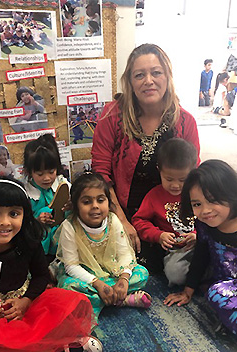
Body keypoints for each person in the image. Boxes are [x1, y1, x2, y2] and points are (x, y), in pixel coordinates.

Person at [0, 176, 102, 352]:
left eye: (14, 214)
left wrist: (26, 301)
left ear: (24, 215)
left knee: (73, 303)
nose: (5, 222)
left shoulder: (28, 241)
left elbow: (41, 276)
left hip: (25, 307)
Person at [91, 43, 200, 254]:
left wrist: (196, 227)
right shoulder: (112, 116)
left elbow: (195, 176)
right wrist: (122, 222)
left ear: (167, 77)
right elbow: (100, 173)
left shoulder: (186, 121)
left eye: (156, 73)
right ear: (130, 82)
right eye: (139, 75)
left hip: (171, 219)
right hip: (122, 213)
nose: (149, 81)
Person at [54, 172, 151, 321]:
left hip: (112, 270)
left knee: (142, 273)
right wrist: (97, 284)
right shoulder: (70, 226)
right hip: (85, 275)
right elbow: (71, 267)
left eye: (100, 200)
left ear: (108, 201)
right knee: (68, 286)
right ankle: (121, 299)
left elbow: (125, 254)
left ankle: (101, 299)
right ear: (76, 205)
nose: (95, 206)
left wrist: (124, 279)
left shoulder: (113, 220)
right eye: (86, 202)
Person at [163, 160, 237, 335]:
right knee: (215, 293)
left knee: (215, 293)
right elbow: (201, 255)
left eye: (213, 200)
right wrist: (188, 291)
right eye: (197, 204)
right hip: (224, 284)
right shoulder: (204, 225)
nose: (205, 210)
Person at [132, 138, 197, 284]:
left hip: (202, 245)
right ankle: (201, 276)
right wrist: (158, 235)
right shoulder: (154, 196)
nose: (175, 185)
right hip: (176, 251)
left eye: (182, 180)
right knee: (174, 275)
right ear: (159, 170)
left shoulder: (197, 192)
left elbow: (211, 218)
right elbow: (139, 220)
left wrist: (198, 236)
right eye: (169, 179)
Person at [23, 137, 71, 258]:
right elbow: (22, 222)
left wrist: (71, 206)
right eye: (40, 174)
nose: (47, 178)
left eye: (51, 171)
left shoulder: (63, 185)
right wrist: (37, 221)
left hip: (64, 243)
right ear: (29, 172)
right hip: (38, 246)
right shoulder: (26, 193)